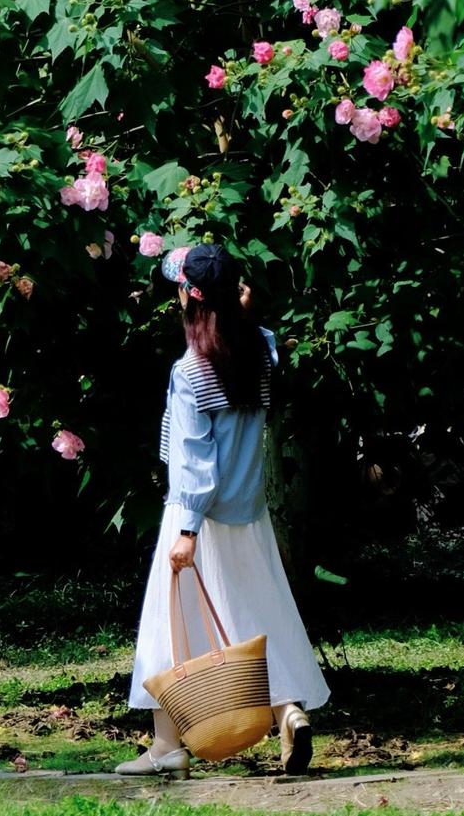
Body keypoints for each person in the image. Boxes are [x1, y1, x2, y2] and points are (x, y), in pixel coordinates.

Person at [115, 243, 329, 779]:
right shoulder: (260, 349)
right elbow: (260, 338)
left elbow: (193, 460)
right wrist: (246, 312)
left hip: (200, 516)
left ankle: (168, 745)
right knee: (256, 614)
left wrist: (184, 528)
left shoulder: (191, 371)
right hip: (248, 512)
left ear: (191, 298)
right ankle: (289, 710)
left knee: (173, 623)